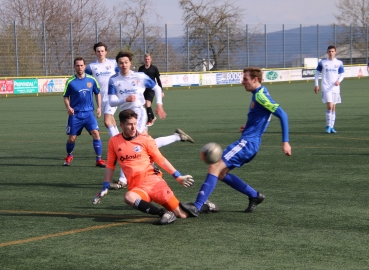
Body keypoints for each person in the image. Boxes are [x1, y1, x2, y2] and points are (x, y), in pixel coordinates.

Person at [181, 67, 292, 217]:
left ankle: (197, 206)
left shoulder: (260, 95)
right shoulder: (259, 94)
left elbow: (283, 115)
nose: (242, 82)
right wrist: (249, 127)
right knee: (221, 173)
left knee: (214, 166)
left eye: (245, 79)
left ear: (255, 79)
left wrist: (285, 142)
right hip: (249, 141)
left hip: (248, 143)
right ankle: (254, 195)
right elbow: (264, 115)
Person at [92, 110, 218, 225]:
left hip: (154, 183)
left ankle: (205, 206)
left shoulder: (145, 140)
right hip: (137, 187)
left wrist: (178, 176)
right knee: (129, 197)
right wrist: (105, 186)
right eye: (130, 124)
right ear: (122, 125)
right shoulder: (114, 142)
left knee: (181, 214)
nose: (133, 127)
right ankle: (163, 213)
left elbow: (161, 160)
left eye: (135, 123)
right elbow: (110, 165)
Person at [108, 51, 194, 149]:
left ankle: (149, 161)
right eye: (121, 63)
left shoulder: (140, 76)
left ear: (130, 63)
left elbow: (156, 88)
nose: (124, 65)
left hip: (138, 112)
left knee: (135, 140)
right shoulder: (113, 80)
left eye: (126, 62)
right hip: (124, 114)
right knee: (146, 143)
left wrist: (159, 104)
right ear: (117, 64)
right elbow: (111, 102)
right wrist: (125, 99)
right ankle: (177, 137)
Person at [85, 42, 127, 187]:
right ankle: (119, 140)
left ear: (106, 52)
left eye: (102, 51)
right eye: (98, 51)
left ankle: (118, 143)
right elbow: (85, 78)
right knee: (111, 122)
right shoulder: (91, 67)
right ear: (95, 53)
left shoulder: (113, 63)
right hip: (101, 98)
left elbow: (122, 72)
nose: (100, 53)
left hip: (112, 96)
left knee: (107, 121)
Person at [62, 57, 106, 167]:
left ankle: (98, 160)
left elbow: (97, 93)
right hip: (75, 114)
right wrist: (68, 107)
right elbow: (66, 97)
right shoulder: (70, 82)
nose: (80, 67)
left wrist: (99, 107)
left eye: (81, 65)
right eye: (77, 65)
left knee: (96, 133)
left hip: (89, 114)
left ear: (84, 66)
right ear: (74, 67)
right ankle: (69, 155)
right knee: (72, 138)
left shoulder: (91, 80)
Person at [314, 45, 345, 134]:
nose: (331, 53)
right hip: (326, 87)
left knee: (334, 107)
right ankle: (328, 126)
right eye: (329, 51)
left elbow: (342, 74)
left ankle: (332, 127)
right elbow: (317, 74)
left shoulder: (339, 62)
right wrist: (316, 85)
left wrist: (339, 81)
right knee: (330, 106)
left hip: (335, 88)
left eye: (332, 51)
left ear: (335, 52)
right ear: (327, 52)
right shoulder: (323, 62)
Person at [138, 53, 164, 126]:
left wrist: (161, 91)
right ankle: (152, 117)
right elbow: (138, 80)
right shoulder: (141, 68)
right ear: (144, 60)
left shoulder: (154, 68)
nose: (147, 60)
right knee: (144, 104)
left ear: (151, 59)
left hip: (152, 88)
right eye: (146, 59)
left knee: (147, 103)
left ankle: (150, 120)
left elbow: (158, 80)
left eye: (148, 59)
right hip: (143, 89)